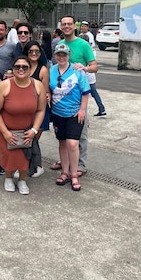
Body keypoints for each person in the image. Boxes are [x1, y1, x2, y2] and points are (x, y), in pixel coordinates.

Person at [0, 56, 46, 195]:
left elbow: (41, 110)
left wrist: (34, 129)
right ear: (13, 69)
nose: (21, 69)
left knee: (24, 155)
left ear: (29, 69)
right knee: (9, 153)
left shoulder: (38, 85)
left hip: (26, 129)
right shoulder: (4, 85)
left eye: (24, 67)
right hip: (3, 127)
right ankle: (8, 177)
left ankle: (22, 180)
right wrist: (5, 133)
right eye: (17, 67)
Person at [50, 15, 97, 175]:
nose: (67, 26)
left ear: (74, 26)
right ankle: (65, 162)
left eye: (69, 24)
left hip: (80, 92)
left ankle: (80, 166)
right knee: (63, 136)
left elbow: (94, 66)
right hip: (62, 95)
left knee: (80, 132)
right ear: (61, 26)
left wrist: (84, 68)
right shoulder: (60, 44)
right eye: (64, 24)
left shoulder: (83, 44)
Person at [49, 43, 90, 192]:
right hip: (58, 112)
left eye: (64, 54)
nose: (61, 57)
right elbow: (48, 88)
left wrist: (82, 110)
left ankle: (74, 174)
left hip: (74, 113)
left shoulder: (77, 70)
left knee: (72, 144)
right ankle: (64, 172)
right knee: (62, 143)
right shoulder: (51, 71)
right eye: (58, 54)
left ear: (69, 55)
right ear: (55, 55)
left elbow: (86, 92)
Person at [23, 40, 51, 178]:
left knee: (33, 140)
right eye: (31, 51)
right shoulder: (22, 67)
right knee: (28, 140)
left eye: (37, 51)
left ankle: (38, 166)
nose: (34, 54)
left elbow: (46, 93)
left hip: (39, 110)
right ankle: (29, 164)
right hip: (24, 110)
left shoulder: (43, 69)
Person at [78, 33, 106, 117]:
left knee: (84, 96)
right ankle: (101, 109)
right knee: (92, 94)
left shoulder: (90, 51)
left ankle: (101, 109)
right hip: (89, 77)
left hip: (88, 77)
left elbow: (89, 64)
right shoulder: (91, 50)